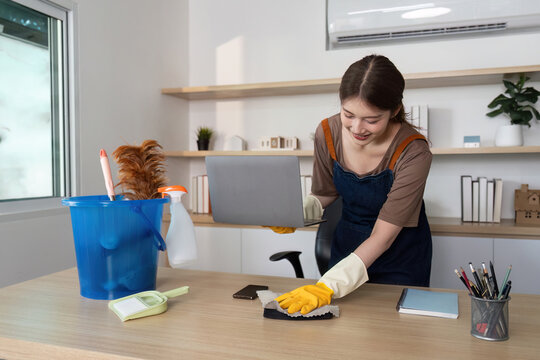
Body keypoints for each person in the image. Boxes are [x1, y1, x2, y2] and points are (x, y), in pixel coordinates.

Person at [274, 54, 433, 315]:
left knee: (397, 337)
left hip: (400, 254)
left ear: (394, 110)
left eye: (372, 120)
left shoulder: (413, 151)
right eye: (348, 114)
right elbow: (325, 193)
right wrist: (297, 213)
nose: (357, 128)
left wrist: (330, 286)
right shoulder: (328, 132)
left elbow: (384, 235)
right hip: (347, 247)